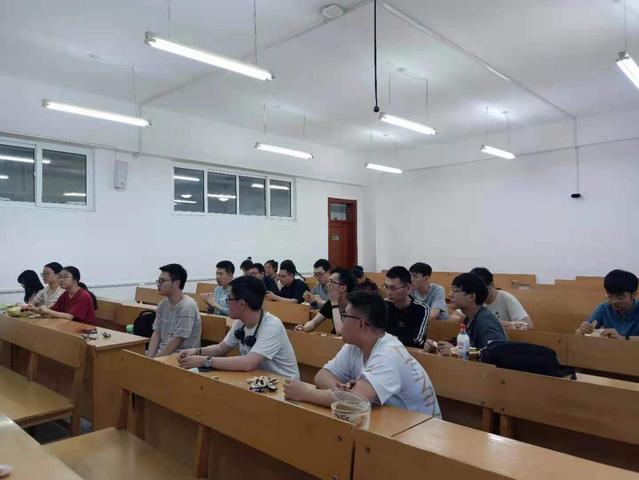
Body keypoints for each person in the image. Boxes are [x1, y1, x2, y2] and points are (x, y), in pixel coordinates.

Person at [284, 291, 441, 417]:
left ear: (361, 323)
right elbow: (322, 376)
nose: (341, 323)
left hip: (420, 432)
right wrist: (345, 393)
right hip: (390, 420)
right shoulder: (354, 345)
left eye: (345, 316)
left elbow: (355, 401)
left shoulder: (388, 353)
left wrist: (306, 393)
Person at [178, 276, 300, 378]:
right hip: (258, 379)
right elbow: (221, 348)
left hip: (284, 386)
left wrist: (205, 361)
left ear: (241, 304)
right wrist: (196, 351)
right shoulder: (241, 322)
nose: (227, 303)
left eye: (229, 299)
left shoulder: (272, 326)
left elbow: (248, 363)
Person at [428, 273, 507, 355]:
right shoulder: (469, 317)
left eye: (455, 291)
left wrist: (455, 350)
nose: (449, 295)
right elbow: (466, 345)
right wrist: (437, 345)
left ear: (471, 297)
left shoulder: (485, 321)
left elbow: (497, 353)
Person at [147, 264, 201, 358]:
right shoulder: (162, 305)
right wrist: (149, 358)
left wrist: (155, 360)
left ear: (176, 283)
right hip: (163, 354)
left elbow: (177, 340)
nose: (159, 284)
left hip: (181, 356)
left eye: (162, 281)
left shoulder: (187, 306)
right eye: (158, 281)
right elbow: (156, 333)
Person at [576, 269, 639, 340]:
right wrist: (582, 331)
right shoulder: (604, 308)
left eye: (620, 297)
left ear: (634, 295)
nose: (614, 301)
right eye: (610, 296)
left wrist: (623, 339)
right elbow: (583, 333)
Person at [27, 266, 97, 324]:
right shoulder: (66, 294)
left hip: (85, 330)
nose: (61, 280)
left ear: (75, 279)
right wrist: (34, 309)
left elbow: (70, 317)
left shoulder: (83, 295)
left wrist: (47, 310)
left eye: (65, 277)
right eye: (60, 277)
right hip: (69, 325)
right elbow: (53, 310)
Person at [296, 267, 356, 335]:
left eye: (331, 282)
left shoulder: (355, 305)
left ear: (343, 288)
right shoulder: (331, 302)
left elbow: (341, 332)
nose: (328, 284)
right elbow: (314, 322)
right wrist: (303, 328)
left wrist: (334, 303)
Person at [383, 266, 430, 349]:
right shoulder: (384, 304)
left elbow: (418, 341)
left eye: (393, 288)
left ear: (408, 288)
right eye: (386, 287)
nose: (388, 293)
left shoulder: (422, 309)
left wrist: (388, 339)